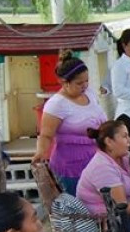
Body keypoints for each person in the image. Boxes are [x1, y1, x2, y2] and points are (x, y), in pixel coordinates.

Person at [32, 51, 108, 194]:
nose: (84, 85)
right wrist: (41, 152)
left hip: (96, 158)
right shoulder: (56, 104)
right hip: (71, 165)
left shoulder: (89, 93)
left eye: (87, 81)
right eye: (79, 83)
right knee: (79, 206)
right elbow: (46, 135)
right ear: (64, 82)